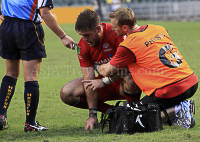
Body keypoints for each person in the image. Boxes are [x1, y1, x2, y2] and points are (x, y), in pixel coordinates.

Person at [85, 7, 198, 129]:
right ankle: (176, 113)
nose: (112, 29)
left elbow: (107, 71)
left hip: (172, 89)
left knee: (134, 118)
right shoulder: (158, 28)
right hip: (191, 81)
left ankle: (179, 110)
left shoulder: (129, 45)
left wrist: (99, 66)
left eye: (114, 26)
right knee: (145, 108)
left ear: (124, 28)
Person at [60, 9, 141, 130]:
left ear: (98, 29)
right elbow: (89, 80)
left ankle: (131, 114)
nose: (85, 39)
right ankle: (109, 111)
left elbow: (129, 68)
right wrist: (92, 115)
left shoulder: (115, 34)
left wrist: (105, 80)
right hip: (103, 83)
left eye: (87, 35)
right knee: (66, 93)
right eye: (82, 35)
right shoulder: (82, 46)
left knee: (131, 77)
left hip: (123, 82)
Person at [0, 0, 75, 131]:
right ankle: (30, 123)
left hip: (7, 26)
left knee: (10, 73)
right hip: (28, 29)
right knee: (31, 76)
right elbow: (45, 14)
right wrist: (63, 36)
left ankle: (1, 116)